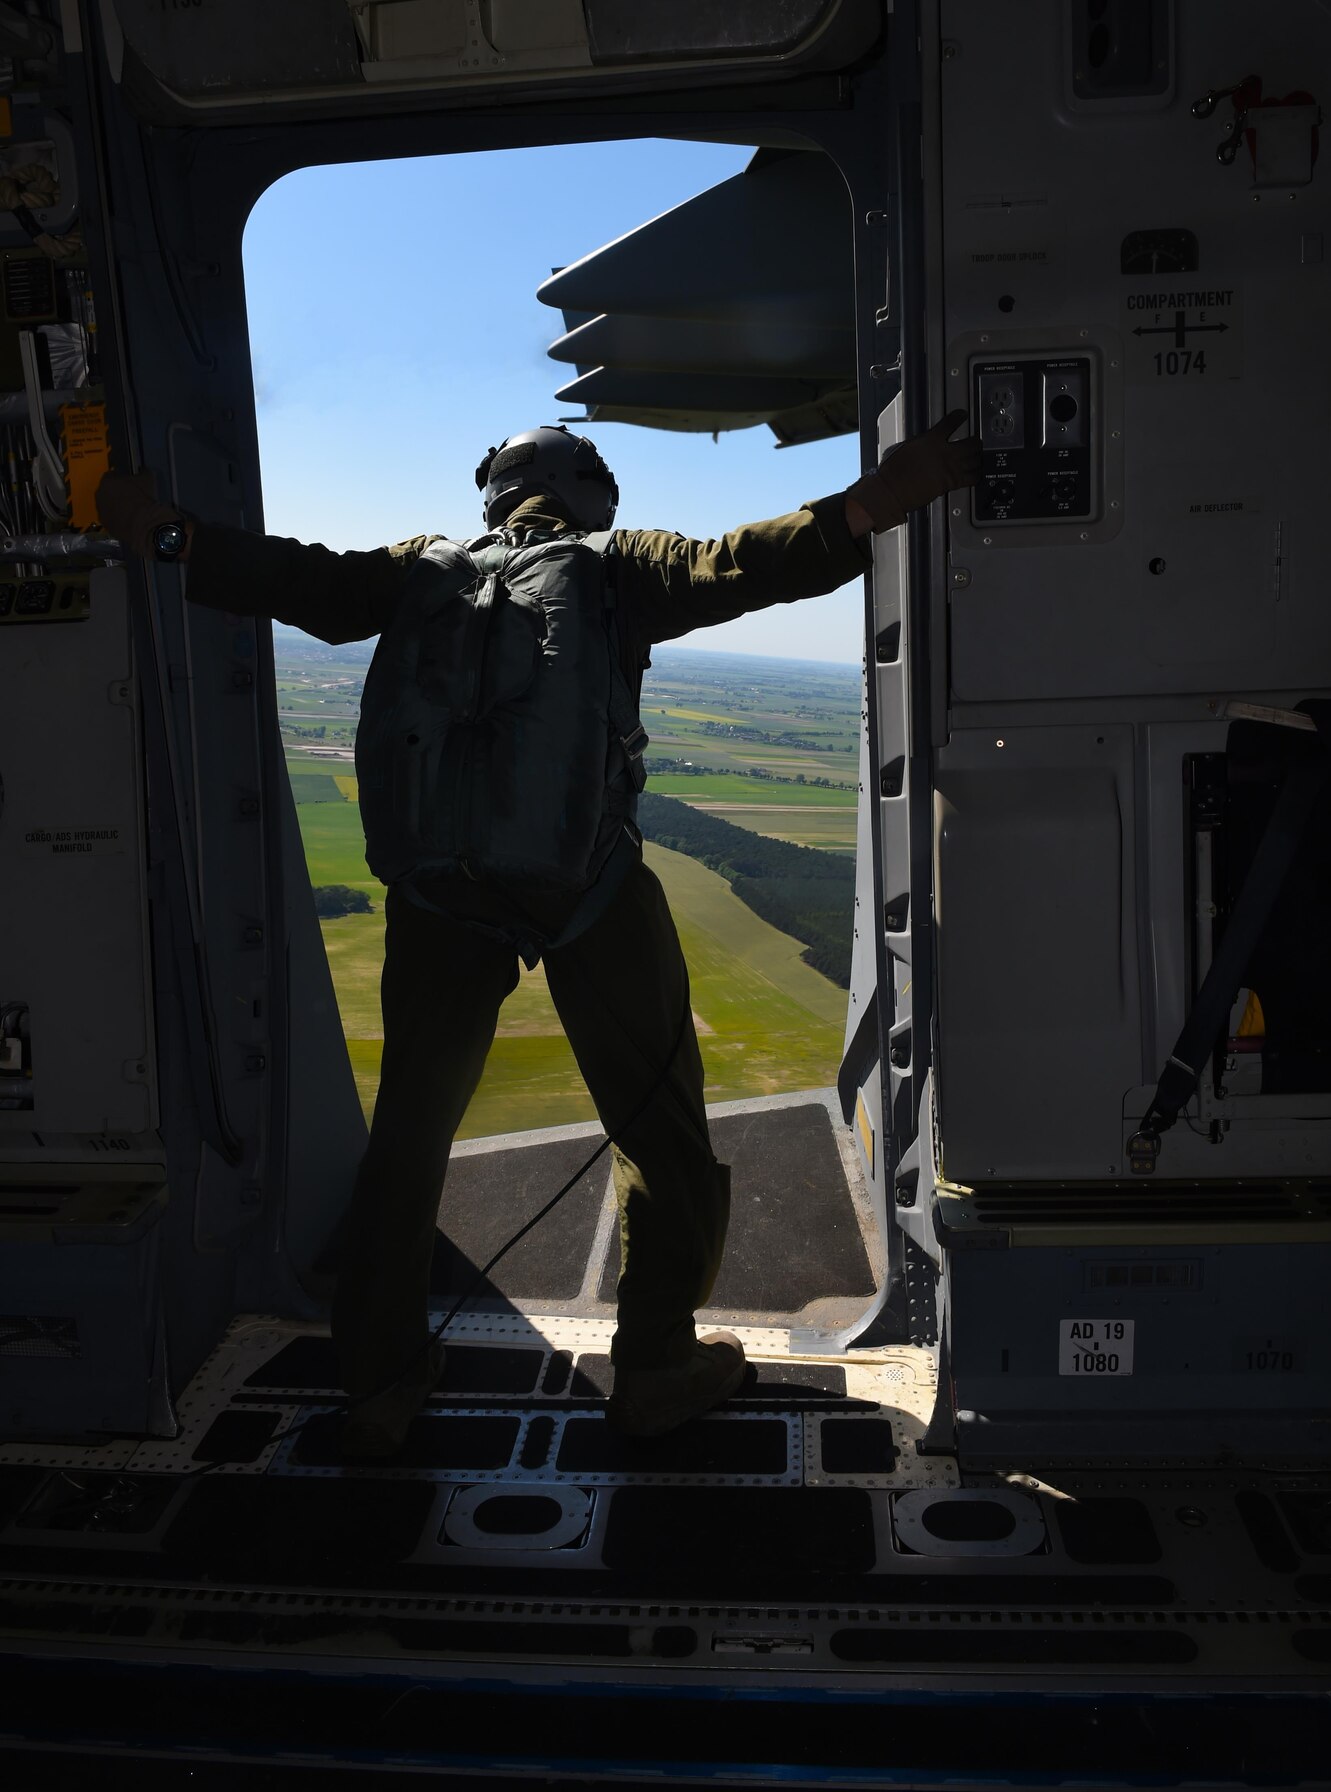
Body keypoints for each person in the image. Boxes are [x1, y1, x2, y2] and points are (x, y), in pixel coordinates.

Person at [97, 410, 979, 1458]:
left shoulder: (418, 565)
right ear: (588, 492)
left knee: (406, 1148)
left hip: (435, 898)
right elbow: (739, 564)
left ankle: (378, 1381)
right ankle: (653, 1364)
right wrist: (882, 495)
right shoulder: (619, 564)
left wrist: (160, 529)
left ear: (496, 494)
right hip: (588, 888)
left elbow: (297, 579)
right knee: (660, 1134)